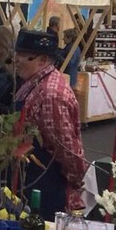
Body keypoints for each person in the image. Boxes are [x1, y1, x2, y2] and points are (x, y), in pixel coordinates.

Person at [12, 30, 88, 220]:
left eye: (23, 55)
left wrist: (75, 182)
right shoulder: (33, 82)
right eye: (17, 54)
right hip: (29, 176)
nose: (16, 60)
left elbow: (67, 150)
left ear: (43, 59)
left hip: (47, 182)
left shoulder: (50, 94)